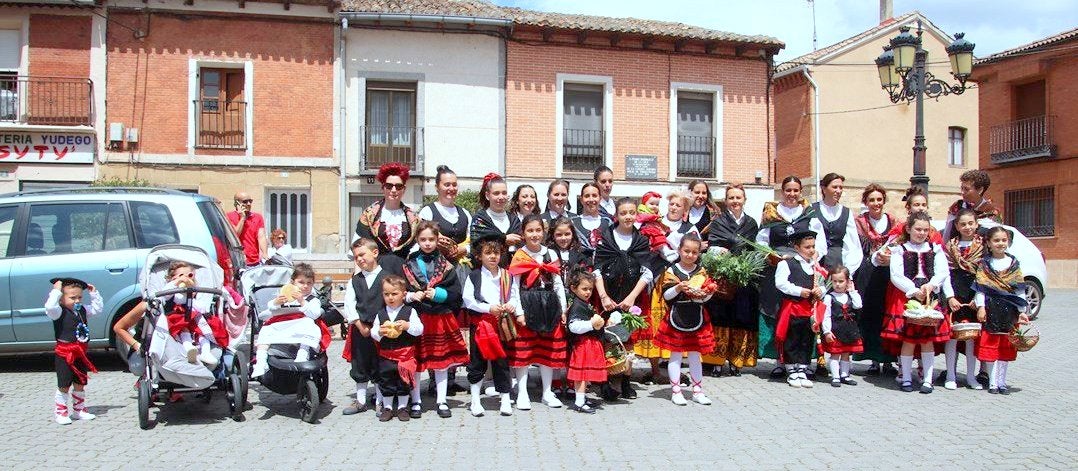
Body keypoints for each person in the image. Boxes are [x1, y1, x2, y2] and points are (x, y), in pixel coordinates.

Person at [881, 212, 952, 394]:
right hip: (908, 296)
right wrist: (913, 290)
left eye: (925, 230)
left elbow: (943, 272)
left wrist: (931, 285)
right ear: (908, 229)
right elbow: (896, 275)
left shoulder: (935, 249)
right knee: (908, 340)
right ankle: (905, 378)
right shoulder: (899, 249)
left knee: (927, 340)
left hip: (929, 296)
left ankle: (927, 380)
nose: (921, 233)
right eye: (918, 229)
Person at [593, 197, 655, 401]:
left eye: (632, 212)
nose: (628, 216)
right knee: (606, 339)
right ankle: (605, 382)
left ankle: (626, 383)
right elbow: (597, 270)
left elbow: (647, 273)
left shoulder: (641, 241)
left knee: (627, 341)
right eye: (623, 213)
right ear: (616, 215)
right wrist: (603, 297)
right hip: (607, 297)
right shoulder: (606, 239)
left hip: (631, 298)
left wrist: (631, 298)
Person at [507, 214, 569, 410]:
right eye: (530, 231)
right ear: (523, 233)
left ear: (543, 232)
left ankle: (547, 392)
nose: (534, 234)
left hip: (549, 306)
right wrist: (518, 312)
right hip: (527, 304)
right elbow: (514, 287)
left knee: (548, 351)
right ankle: (523, 393)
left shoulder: (551, 253)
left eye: (538, 230)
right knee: (524, 352)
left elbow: (558, 284)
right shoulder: (519, 255)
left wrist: (563, 308)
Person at [404, 221, 466, 419]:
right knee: (417, 361)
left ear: (437, 240)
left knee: (441, 362)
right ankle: (415, 401)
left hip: (440, 317)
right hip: (418, 318)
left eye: (431, 239)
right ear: (417, 240)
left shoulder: (446, 264)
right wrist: (412, 296)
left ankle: (442, 401)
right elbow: (400, 289)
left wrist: (438, 294)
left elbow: (456, 293)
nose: (428, 243)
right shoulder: (409, 263)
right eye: (423, 239)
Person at [757, 176, 816, 377]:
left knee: (802, 318)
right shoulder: (771, 214)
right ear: (782, 192)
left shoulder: (809, 214)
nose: (792, 194)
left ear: (800, 192)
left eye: (795, 190)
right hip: (778, 267)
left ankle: (802, 361)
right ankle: (779, 362)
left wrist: (811, 259)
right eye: (788, 190)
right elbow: (761, 240)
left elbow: (820, 242)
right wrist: (773, 256)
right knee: (778, 313)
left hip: (802, 269)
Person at [702, 184, 760, 376]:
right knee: (721, 318)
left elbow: (754, 250)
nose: (735, 201)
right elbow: (713, 247)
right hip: (723, 279)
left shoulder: (751, 223)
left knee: (741, 318)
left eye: (738, 198)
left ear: (744, 200)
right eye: (731, 198)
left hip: (745, 280)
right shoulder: (718, 222)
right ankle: (717, 362)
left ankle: (736, 361)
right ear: (726, 201)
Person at [653, 234, 715, 405]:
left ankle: (697, 390)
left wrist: (706, 294)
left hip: (697, 315)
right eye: (686, 251)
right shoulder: (672, 271)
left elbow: (705, 297)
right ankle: (676, 390)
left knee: (695, 355)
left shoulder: (701, 271)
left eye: (694, 252)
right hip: (677, 315)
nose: (690, 255)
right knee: (676, 354)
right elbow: (666, 295)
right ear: (679, 250)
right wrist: (679, 287)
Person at [463, 234, 521, 417]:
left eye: (496, 253)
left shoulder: (507, 276)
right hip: (481, 324)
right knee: (477, 362)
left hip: (501, 325)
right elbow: (468, 300)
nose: (493, 256)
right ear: (480, 256)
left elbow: (514, 296)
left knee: (501, 361)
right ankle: (475, 400)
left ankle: (504, 399)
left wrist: (512, 305)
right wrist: (488, 308)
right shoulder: (474, 276)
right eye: (488, 253)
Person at [973, 226, 1030, 395]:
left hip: (1010, 310)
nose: (1000, 243)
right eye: (996, 240)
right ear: (989, 243)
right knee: (991, 346)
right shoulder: (984, 264)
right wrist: (981, 307)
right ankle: (992, 382)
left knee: (1005, 346)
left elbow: (1019, 289)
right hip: (992, 309)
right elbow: (980, 288)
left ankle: (1002, 382)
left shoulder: (1014, 264)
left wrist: (1022, 311)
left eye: (1004, 240)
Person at [853, 184, 898, 375]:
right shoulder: (859, 223)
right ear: (865, 202)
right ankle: (873, 359)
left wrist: (890, 257)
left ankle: (888, 359)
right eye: (871, 200)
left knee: (887, 315)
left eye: (879, 199)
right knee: (869, 315)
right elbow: (854, 248)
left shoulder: (894, 222)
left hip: (888, 274)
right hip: (866, 272)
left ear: (884, 201)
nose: (876, 203)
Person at [251, 263, 325, 378]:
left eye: (309, 283)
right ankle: (261, 361)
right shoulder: (285, 296)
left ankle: (303, 352)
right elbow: (270, 308)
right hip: (281, 325)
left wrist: (302, 302)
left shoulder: (312, 299)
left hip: (300, 325)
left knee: (309, 324)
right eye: (301, 282)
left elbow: (315, 314)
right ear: (293, 282)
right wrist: (276, 303)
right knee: (266, 330)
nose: (305, 286)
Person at [45, 277, 103, 424]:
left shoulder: (82, 310)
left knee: (80, 382)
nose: (77, 301)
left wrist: (94, 294)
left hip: (80, 353)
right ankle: (61, 412)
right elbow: (50, 307)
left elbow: (97, 309)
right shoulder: (58, 312)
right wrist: (56, 290)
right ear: (61, 299)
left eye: (79, 297)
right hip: (65, 354)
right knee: (64, 384)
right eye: (72, 298)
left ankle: (79, 410)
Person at [341, 238, 388, 416]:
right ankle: (360, 400)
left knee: (379, 363)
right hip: (360, 329)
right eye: (356, 257)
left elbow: (391, 304)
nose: (359, 259)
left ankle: (381, 401)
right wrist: (359, 325)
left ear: (374, 253)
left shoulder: (386, 277)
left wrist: (379, 327)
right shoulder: (354, 280)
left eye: (362, 254)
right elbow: (349, 305)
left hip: (380, 330)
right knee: (359, 363)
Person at [773, 230, 825, 388]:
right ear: (797, 247)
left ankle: (802, 368)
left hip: (809, 310)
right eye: (807, 247)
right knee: (792, 338)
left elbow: (823, 283)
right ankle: (791, 369)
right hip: (793, 308)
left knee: (806, 339)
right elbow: (780, 283)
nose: (811, 250)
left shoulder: (815, 267)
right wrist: (798, 291)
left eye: (813, 247)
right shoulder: (787, 263)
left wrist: (820, 291)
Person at [371, 275, 425, 422]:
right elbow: (374, 331)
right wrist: (379, 332)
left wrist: (408, 326)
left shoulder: (410, 312)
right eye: (386, 294)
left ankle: (402, 407)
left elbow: (419, 329)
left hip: (405, 355)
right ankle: (387, 407)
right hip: (386, 355)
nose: (390, 297)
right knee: (386, 381)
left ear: (404, 294)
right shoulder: (381, 313)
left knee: (404, 382)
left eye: (394, 294)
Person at [943, 209, 985, 390]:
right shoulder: (950, 247)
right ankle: (950, 375)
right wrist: (950, 296)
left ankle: (970, 376)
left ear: (976, 224)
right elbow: (945, 274)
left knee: (970, 337)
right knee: (952, 336)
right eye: (963, 224)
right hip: (954, 296)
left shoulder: (983, 248)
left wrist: (979, 299)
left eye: (970, 223)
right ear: (957, 226)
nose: (967, 227)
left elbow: (985, 276)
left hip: (974, 296)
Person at [354, 163, 419, 276]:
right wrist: (357, 279)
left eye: (398, 186)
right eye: (389, 186)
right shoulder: (369, 216)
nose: (393, 190)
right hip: (373, 274)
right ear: (383, 188)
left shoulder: (413, 218)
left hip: (403, 275)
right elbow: (358, 249)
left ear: (404, 189)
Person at [161, 261, 219, 367]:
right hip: (177, 318)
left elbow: (202, 307)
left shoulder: (196, 292)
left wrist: (192, 294)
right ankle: (189, 348)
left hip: (193, 318)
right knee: (184, 328)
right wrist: (177, 282)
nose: (186, 278)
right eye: (181, 275)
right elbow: (163, 296)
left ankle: (205, 352)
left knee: (202, 331)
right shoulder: (172, 291)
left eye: (189, 275)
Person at [564, 269, 605, 414]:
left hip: (588, 343)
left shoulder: (584, 303)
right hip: (582, 344)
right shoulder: (577, 305)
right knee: (580, 375)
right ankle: (579, 402)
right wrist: (591, 325)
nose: (588, 292)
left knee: (585, 374)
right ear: (573, 288)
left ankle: (582, 398)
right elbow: (573, 326)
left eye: (590, 289)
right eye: (584, 289)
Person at [418, 165, 471, 266]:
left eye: (454, 185)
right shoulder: (427, 212)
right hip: (434, 266)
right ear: (437, 187)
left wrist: (464, 249)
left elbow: (473, 241)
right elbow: (421, 240)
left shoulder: (465, 213)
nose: (451, 188)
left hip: (461, 268)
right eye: (447, 185)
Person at [820, 265, 862, 387]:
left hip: (849, 329)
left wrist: (852, 291)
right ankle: (835, 376)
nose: (838, 284)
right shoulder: (829, 297)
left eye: (841, 281)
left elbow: (858, 305)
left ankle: (844, 375)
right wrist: (827, 331)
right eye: (835, 281)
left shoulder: (850, 295)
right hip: (836, 330)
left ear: (847, 282)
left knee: (846, 354)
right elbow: (826, 315)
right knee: (835, 353)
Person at [810, 173, 863, 271]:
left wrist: (848, 271)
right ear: (824, 189)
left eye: (841, 188)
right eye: (834, 187)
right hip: (816, 261)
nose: (838, 191)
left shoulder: (846, 212)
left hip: (839, 263)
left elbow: (853, 244)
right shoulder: (812, 209)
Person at [470, 173, 522, 266]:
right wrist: (503, 239)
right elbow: (476, 244)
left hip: (512, 271)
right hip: (486, 271)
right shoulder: (479, 219)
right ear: (487, 195)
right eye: (496, 193)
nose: (501, 197)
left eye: (504, 193)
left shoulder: (514, 219)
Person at [943, 169, 1002, 241]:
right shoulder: (956, 207)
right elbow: (947, 233)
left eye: (966, 189)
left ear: (980, 190)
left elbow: (998, 236)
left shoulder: (991, 211)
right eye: (962, 188)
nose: (962, 192)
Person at [571, 182, 611, 261]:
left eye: (594, 196)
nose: (591, 199)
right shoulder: (572, 223)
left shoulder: (608, 223)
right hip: (579, 269)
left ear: (600, 198)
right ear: (581, 200)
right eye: (587, 196)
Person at [226, 191, 268, 267]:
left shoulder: (258, 217)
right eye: (245, 201)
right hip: (238, 262)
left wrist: (265, 253)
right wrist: (242, 218)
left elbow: (261, 237)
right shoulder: (229, 216)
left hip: (255, 262)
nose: (248, 204)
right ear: (237, 203)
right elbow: (234, 235)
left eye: (250, 201)